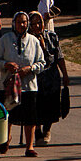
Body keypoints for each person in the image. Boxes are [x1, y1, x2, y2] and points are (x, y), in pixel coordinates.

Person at [0, 11, 44, 156]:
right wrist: (6, 64)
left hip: (29, 86)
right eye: (19, 22)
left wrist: (30, 68)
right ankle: (5, 139)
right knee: (6, 114)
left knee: (30, 117)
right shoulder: (5, 39)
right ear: (14, 23)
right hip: (9, 85)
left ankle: (29, 147)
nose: (22, 25)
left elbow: (42, 62)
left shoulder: (34, 41)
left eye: (24, 22)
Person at [28, 10, 70, 145]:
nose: (37, 26)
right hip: (35, 78)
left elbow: (59, 56)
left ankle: (47, 129)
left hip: (51, 76)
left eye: (39, 23)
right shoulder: (27, 39)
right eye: (33, 24)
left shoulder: (51, 36)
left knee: (51, 104)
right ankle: (38, 131)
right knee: (36, 105)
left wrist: (65, 74)